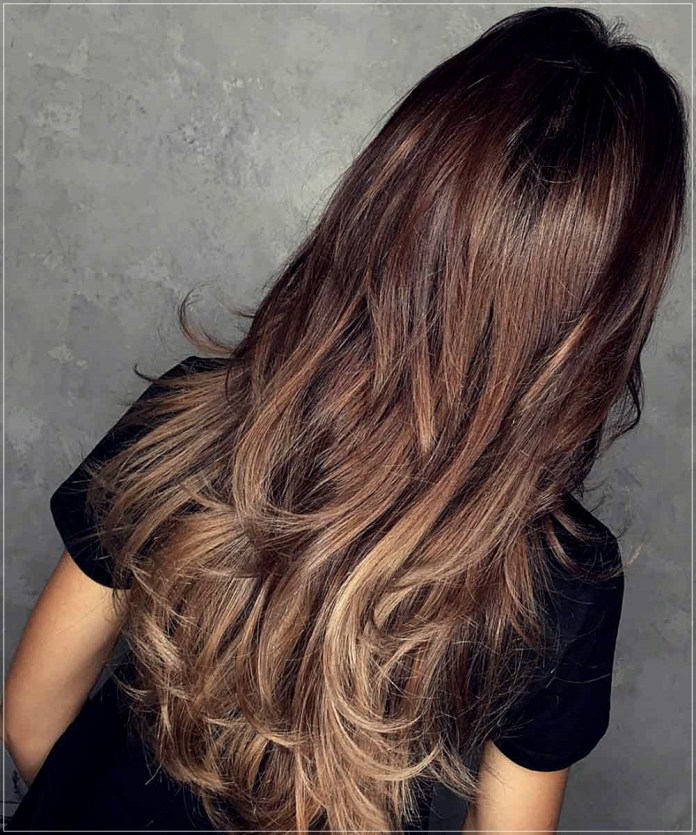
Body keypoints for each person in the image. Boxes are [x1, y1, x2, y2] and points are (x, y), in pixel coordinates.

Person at [2, 5, 688, 832]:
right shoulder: (562, 580)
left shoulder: (194, 417)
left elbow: (31, 715)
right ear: (603, 317)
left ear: (392, 194)